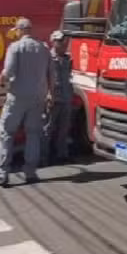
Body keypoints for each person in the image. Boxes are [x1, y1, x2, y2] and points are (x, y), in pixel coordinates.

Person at [0, 17, 52, 188]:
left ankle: (3, 174)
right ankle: (30, 172)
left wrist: (0, 79)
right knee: (33, 134)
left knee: (6, 134)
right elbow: (51, 74)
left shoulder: (15, 47)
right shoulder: (43, 48)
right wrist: (51, 95)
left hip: (17, 97)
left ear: (20, 30)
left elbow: (9, 71)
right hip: (38, 98)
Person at [42, 30, 74, 166]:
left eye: (64, 41)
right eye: (60, 41)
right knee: (47, 129)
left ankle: (62, 155)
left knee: (64, 128)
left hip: (66, 98)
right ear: (53, 42)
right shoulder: (47, 58)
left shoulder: (68, 58)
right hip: (53, 98)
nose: (63, 44)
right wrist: (48, 94)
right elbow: (43, 78)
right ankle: (43, 158)